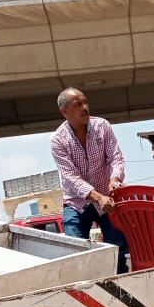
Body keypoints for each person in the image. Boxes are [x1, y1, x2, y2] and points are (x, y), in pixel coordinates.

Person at [49, 87, 130, 274]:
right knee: (76, 252)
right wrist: (97, 197)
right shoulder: (57, 140)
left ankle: (122, 289)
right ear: (65, 111)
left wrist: (114, 178)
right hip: (77, 203)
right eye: (78, 105)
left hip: (108, 200)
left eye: (85, 102)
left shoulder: (102, 126)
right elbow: (70, 178)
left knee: (118, 248)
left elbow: (116, 158)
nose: (85, 107)